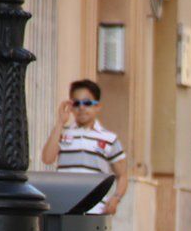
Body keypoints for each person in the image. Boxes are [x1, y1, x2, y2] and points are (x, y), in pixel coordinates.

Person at [41, 79, 128, 214]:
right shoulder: (62, 133)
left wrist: (116, 198)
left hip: (95, 209)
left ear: (97, 106)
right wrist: (60, 122)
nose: (81, 107)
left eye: (87, 103)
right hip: (64, 206)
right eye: (76, 103)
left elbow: (122, 175)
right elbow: (47, 158)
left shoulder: (109, 138)